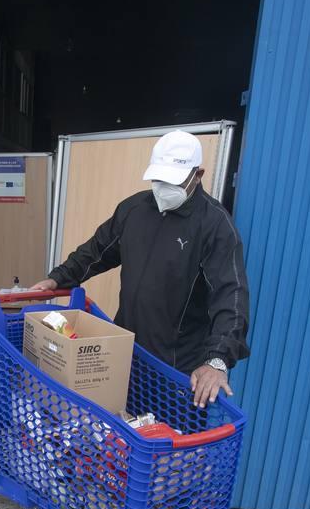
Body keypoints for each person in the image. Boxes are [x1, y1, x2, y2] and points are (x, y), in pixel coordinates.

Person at [31, 130, 250, 409]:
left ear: (199, 174)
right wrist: (57, 278)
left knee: (161, 446)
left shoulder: (215, 226)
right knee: (118, 433)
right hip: (125, 355)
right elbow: (97, 250)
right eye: (158, 178)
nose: (162, 187)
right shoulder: (134, 209)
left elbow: (231, 296)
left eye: (172, 180)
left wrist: (217, 360)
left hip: (174, 370)